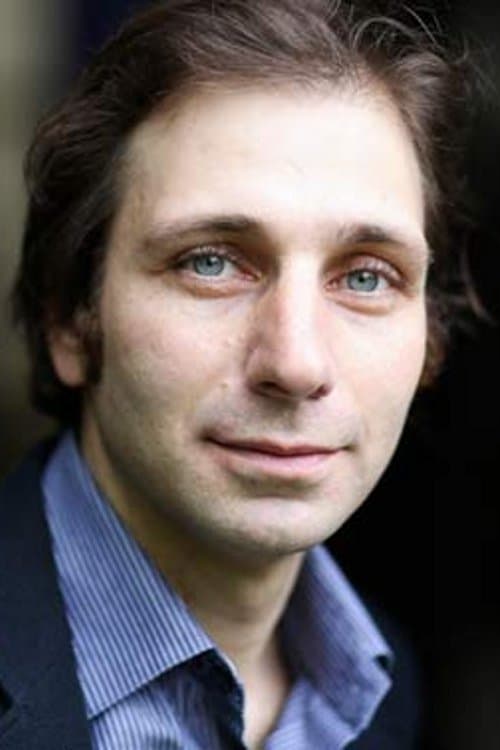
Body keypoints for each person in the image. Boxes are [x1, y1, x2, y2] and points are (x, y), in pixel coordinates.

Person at [0, 1, 472, 748]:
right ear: (70, 319)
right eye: (211, 263)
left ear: (430, 336)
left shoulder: (381, 679)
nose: (297, 363)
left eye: (366, 277)